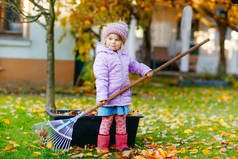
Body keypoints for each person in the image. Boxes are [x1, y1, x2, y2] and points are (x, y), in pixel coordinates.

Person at [93, 21, 153, 152]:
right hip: (108, 98)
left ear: (122, 42)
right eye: (110, 38)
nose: (113, 42)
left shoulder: (125, 56)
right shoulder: (102, 57)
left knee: (121, 122)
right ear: (105, 40)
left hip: (122, 97)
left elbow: (134, 65)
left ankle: (122, 145)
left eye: (117, 39)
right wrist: (102, 96)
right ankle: (102, 146)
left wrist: (145, 70)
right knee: (106, 122)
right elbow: (101, 79)